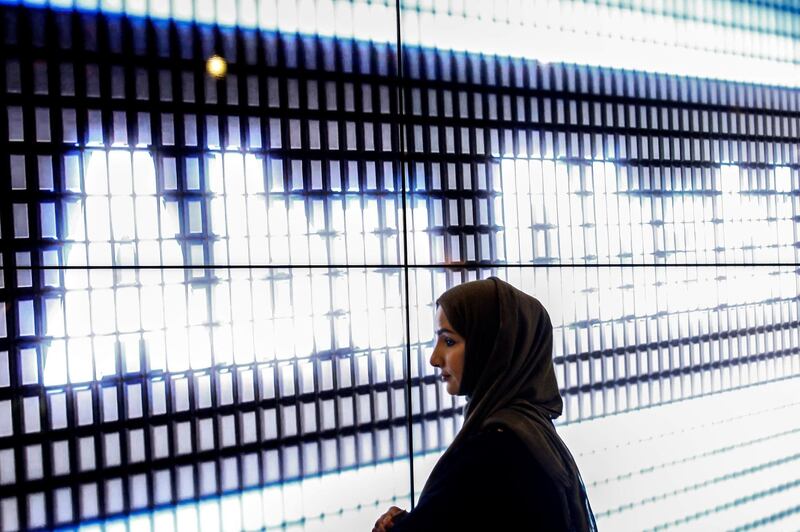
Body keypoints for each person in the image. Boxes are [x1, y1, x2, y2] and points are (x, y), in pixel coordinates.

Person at [372, 276, 597, 532]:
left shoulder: (490, 454)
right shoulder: (530, 430)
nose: (435, 359)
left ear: (492, 348)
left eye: (449, 341)